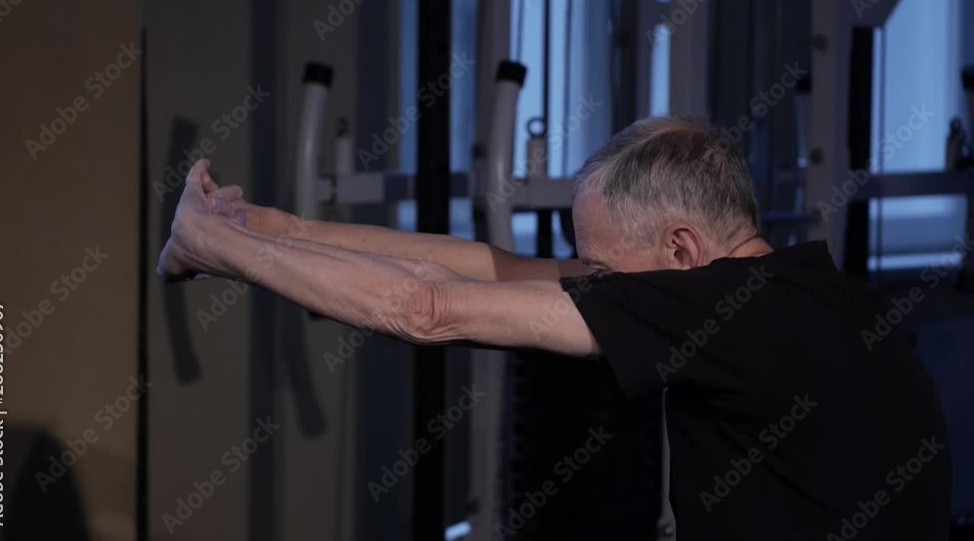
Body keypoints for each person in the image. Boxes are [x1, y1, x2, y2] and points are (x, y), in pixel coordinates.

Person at [158, 117, 951, 540]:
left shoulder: (728, 308)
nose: (590, 280)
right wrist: (270, 226)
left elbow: (431, 308)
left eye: (602, 266)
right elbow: (488, 266)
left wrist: (210, 243)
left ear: (682, 247)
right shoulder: (801, 294)